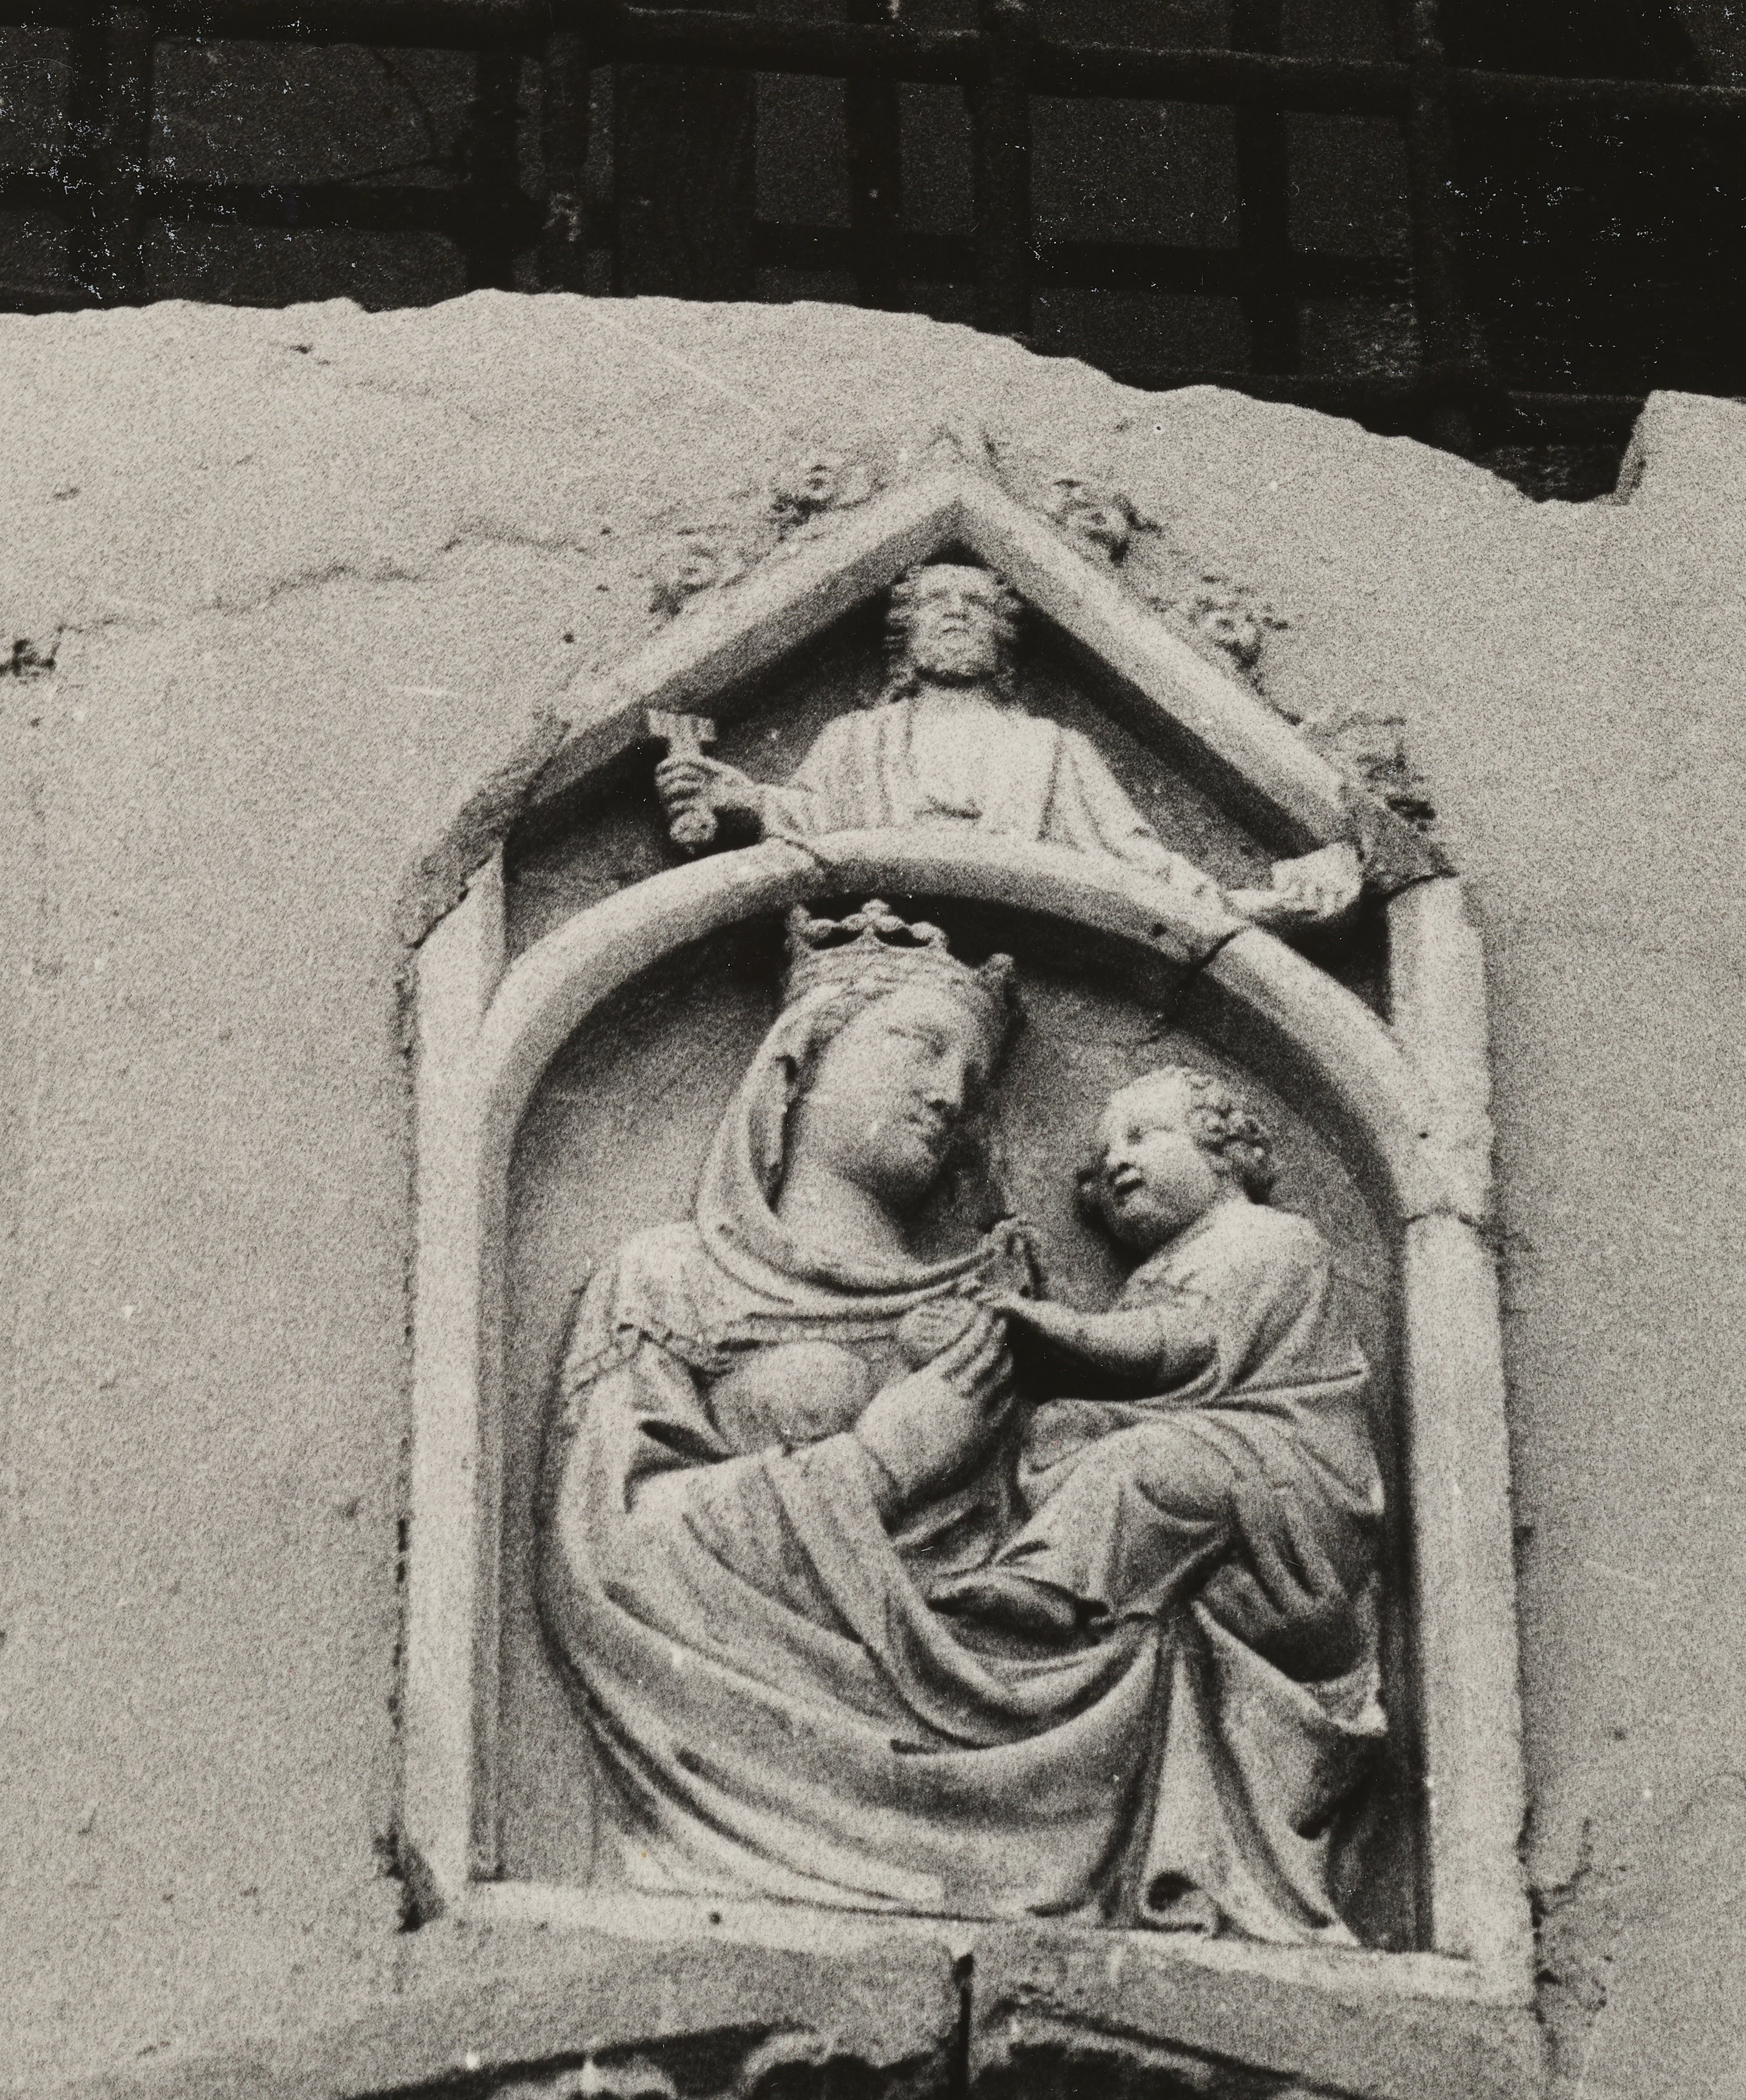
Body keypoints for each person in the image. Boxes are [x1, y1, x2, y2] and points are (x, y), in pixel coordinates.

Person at [537, 902, 1385, 1935]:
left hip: (1056, 1747)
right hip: (748, 1754)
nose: (951, 1093)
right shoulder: (666, 1280)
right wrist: (881, 1462)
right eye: (919, 1045)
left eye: (974, 1077)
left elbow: (1156, 1502)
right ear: (798, 1062)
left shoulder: (1012, 1303)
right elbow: (609, 1551)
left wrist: (1286, 1594)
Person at [931, 1069, 1384, 1663]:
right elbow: (1122, 1369)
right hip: (1214, 1445)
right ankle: (1079, 1578)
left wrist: (1048, 1322)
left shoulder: (1265, 1237)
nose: (1118, 1160)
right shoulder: (1165, 1265)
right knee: (1058, 1428)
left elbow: (1178, 1345)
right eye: (1105, 1155)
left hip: (1287, 1471)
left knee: (1138, 1460)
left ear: (1221, 1155)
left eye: (1143, 1135)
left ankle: (1049, 1584)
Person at [652, 560, 1359, 929]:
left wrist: (1252, 907)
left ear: (1003, 642)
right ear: (904, 637)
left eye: (977, 608)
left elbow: (1132, 860)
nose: (956, 616)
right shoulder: (855, 738)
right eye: (936, 605)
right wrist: (737, 799)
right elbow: (806, 818)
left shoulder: (1051, 747)